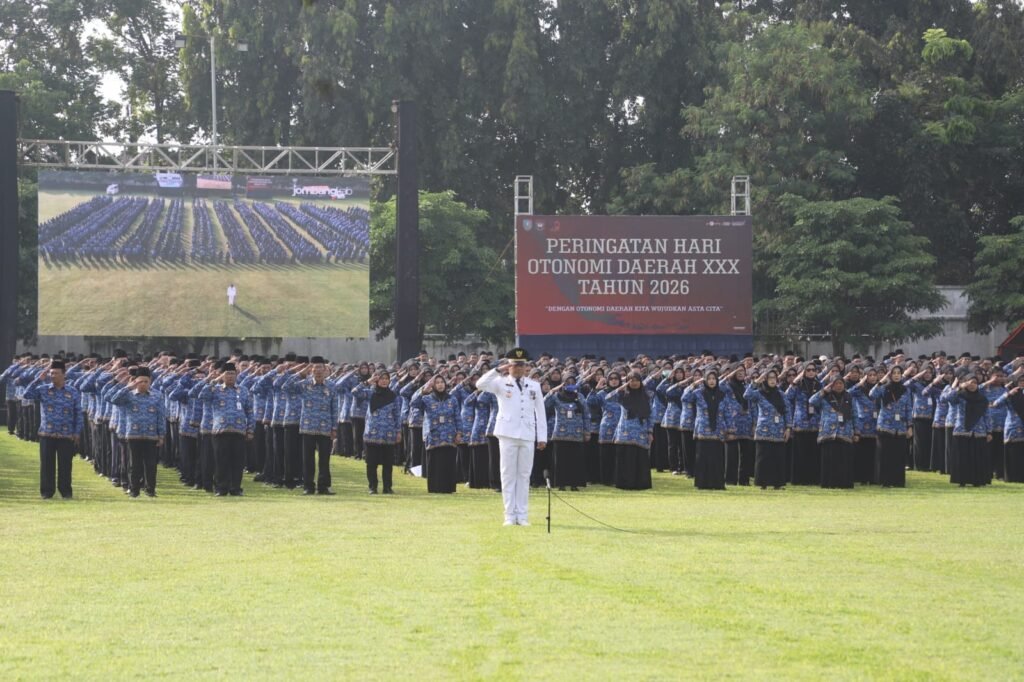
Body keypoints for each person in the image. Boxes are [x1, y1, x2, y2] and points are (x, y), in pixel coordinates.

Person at [476, 348, 548, 526]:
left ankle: (522, 515)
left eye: (521, 365)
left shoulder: (534, 385)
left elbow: (541, 412)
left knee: (524, 475)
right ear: (509, 366)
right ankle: (509, 514)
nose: (518, 368)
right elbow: (480, 384)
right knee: (508, 475)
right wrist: (498, 369)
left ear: (526, 367)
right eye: (515, 365)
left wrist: (542, 437)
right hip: (507, 433)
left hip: (527, 433)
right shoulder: (500, 382)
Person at [21, 360, 83, 499]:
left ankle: (66, 492)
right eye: (51, 373)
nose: (52, 375)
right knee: (47, 465)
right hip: (46, 433)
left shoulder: (72, 392)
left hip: (66, 435)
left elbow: (78, 413)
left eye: (56, 373)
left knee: (65, 465)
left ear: (63, 374)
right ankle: (47, 492)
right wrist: (39, 379)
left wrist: (77, 432)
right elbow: (26, 395)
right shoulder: (43, 389)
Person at [108, 367, 166, 498]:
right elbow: (113, 399)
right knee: (134, 464)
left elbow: (161, 416)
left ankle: (150, 489)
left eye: (146, 381)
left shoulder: (157, 396)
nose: (143, 384)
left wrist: (161, 435)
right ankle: (134, 490)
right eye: (141, 381)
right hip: (133, 434)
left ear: (150, 381)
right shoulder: (128, 395)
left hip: (151, 435)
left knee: (151, 465)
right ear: (136, 381)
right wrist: (128, 387)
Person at [284, 357, 337, 495]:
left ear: (325, 370)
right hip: (307, 427)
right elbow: (286, 387)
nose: (318, 370)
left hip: (325, 427)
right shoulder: (304, 384)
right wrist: (300, 373)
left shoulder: (331, 386)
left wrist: (334, 427)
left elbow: (334, 408)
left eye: (321, 367)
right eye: (315, 368)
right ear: (311, 370)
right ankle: (308, 486)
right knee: (308, 459)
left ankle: (323, 486)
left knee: (324, 459)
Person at [198, 363, 254, 496]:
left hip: (239, 430)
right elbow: (202, 395)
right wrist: (214, 381)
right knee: (220, 460)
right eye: (227, 373)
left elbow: (250, 411)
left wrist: (250, 429)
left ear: (237, 375)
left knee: (238, 461)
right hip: (220, 430)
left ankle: (235, 488)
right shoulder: (215, 389)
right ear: (222, 375)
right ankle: (221, 488)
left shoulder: (243, 390)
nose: (230, 376)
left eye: (233, 374)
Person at [410, 373, 463, 493]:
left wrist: (459, 433)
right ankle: (435, 488)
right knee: (435, 462)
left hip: (449, 435)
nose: (440, 385)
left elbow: (457, 417)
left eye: (442, 382)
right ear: (433, 385)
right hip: (434, 435)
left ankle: (449, 488)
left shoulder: (452, 399)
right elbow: (413, 403)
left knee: (448, 461)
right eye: (437, 383)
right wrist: (423, 390)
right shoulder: (426, 399)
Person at [352, 370, 402, 494]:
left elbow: (397, 415)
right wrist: (367, 382)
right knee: (371, 463)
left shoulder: (393, 396)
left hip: (388, 434)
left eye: (386, 378)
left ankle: (387, 487)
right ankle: (372, 487)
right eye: (381, 378)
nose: (384, 381)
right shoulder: (370, 393)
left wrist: (398, 431)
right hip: (372, 434)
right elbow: (355, 392)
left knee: (388, 463)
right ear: (376, 380)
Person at [683, 369, 732, 490]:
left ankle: (718, 483)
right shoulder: (698, 393)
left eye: (714, 379)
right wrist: (693, 384)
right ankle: (702, 483)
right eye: (709, 379)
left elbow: (727, 412)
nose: (711, 381)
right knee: (702, 457)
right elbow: (684, 398)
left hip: (718, 431)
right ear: (704, 380)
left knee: (717, 458)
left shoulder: (722, 394)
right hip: (703, 430)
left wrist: (730, 429)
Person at [606, 372, 655, 490]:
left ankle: (640, 484)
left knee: (640, 458)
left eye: (637, 380)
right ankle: (624, 483)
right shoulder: (622, 396)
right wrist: (621, 388)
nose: (634, 383)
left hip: (641, 432)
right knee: (625, 458)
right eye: (631, 380)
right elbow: (607, 398)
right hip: (625, 432)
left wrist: (650, 431)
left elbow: (650, 415)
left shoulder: (646, 396)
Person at [743, 369, 791, 489]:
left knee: (778, 457)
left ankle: (778, 484)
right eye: (769, 378)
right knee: (763, 458)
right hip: (763, 430)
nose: (772, 380)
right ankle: (762, 483)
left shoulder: (781, 394)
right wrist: (756, 382)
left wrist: (788, 428)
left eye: (774, 378)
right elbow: (746, 395)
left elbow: (787, 411)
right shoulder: (759, 393)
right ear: (765, 379)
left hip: (779, 429)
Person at [809, 373, 857, 489]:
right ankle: (828, 483)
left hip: (845, 432)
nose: (839, 386)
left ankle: (843, 484)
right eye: (835, 383)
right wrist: (824, 391)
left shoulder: (849, 397)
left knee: (843, 460)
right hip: (828, 433)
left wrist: (857, 432)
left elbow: (855, 415)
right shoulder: (825, 397)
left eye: (841, 383)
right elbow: (812, 401)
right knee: (829, 460)